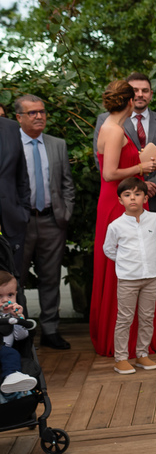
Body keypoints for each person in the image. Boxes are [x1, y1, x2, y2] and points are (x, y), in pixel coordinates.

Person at [93, 72, 156, 336]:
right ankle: (122, 334)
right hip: (117, 203)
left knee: (133, 263)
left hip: (125, 201)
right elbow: (108, 173)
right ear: (130, 101)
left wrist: (142, 167)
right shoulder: (112, 129)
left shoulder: (113, 126)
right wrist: (140, 167)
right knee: (123, 267)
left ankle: (133, 331)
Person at [14, 95, 74, 350]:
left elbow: (67, 183)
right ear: (18, 117)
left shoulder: (57, 144)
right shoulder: (10, 144)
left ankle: (50, 331)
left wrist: (66, 212)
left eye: (42, 112)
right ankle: (19, 332)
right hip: (20, 224)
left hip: (52, 221)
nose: (39, 116)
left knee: (51, 278)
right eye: (32, 113)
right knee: (15, 280)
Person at [103, 177, 156, 374]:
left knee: (147, 316)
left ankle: (142, 354)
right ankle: (121, 358)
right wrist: (127, 264)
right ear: (120, 200)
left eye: (137, 194)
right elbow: (109, 249)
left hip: (152, 277)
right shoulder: (116, 225)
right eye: (127, 195)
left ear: (144, 198)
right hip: (128, 280)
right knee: (124, 318)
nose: (132, 198)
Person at [0, 116, 30, 281]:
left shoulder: (11, 127)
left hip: (11, 220)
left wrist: (22, 212)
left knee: (13, 281)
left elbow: (22, 176)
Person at [0, 272, 38, 394]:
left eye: (10, 295)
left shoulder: (12, 315)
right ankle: (12, 374)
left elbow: (20, 337)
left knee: (13, 354)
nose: (6, 300)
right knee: (10, 354)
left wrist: (19, 320)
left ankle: (15, 381)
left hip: (5, 353)